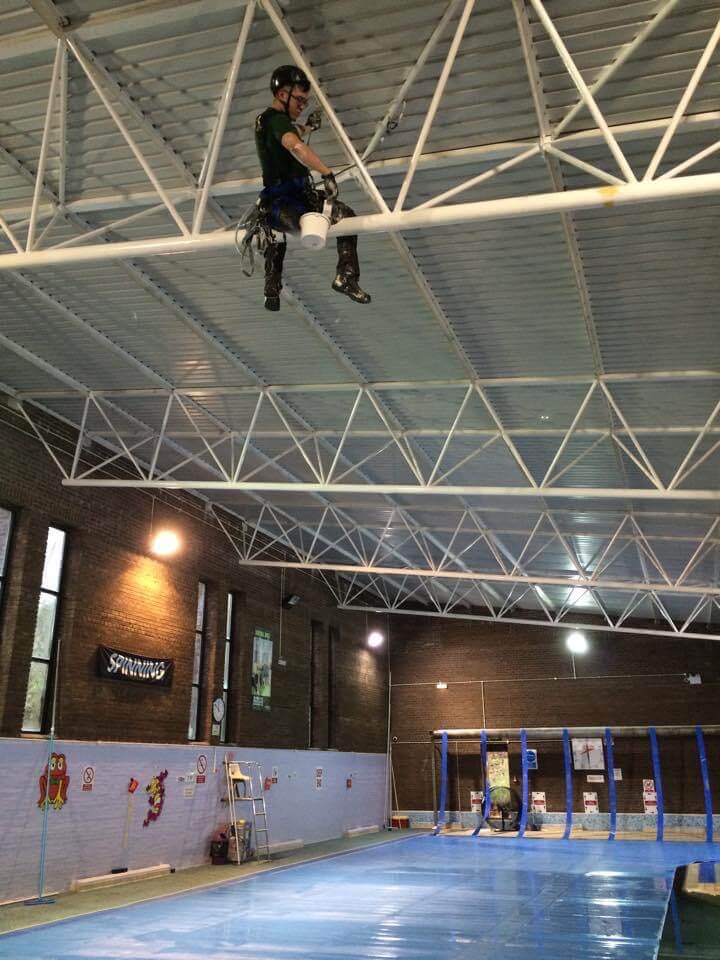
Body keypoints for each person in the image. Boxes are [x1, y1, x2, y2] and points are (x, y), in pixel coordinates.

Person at [254, 65, 371, 311]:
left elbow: (293, 131)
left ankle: (346, 277)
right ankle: (271, 284)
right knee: (295, 225)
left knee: (345, 216)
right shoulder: (273, 121)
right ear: (283, 95)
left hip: (300, 195)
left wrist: (309, 127)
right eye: (299, 100)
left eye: (305, 102)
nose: (301, 105)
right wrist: (326, 172)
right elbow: (294, 145)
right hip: (279, 201)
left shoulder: (278, 122)